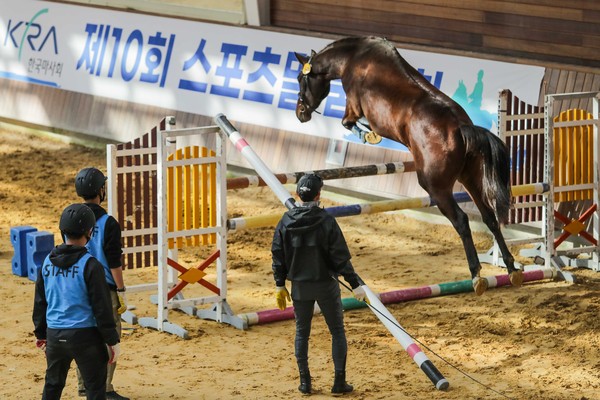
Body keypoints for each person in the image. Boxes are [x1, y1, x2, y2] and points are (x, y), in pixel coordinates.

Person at [271, 173, 367, 395]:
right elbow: (340, 257)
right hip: (326, 285)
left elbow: (278, 255)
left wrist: (279, 284)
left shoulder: (285, 221)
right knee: (337, 331)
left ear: (297, 195)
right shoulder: (327, 221)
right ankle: (339, 382)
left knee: (302, 333)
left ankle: (305, 383)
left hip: (300, 288)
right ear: (319, 195)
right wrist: (355, 284)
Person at [33, 203, 120, 400]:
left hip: (55, 335)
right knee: (95, 389)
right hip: (85, 337)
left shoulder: (46, 262)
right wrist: (112, 340)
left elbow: (40, 302)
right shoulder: (91, 264)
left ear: (62, 230)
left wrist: (41, 334)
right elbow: (102, 307)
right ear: (89, 232)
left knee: (53, 386)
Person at [74, 167, 128, 400]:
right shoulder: (109, 223)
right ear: (100, 191)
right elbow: (114, 261)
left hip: (78, 285)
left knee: (85, 335)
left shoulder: (71, 217)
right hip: (105, 287)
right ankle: (104, 388)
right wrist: (121, 288)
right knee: (109, 335)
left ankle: (84, 385)